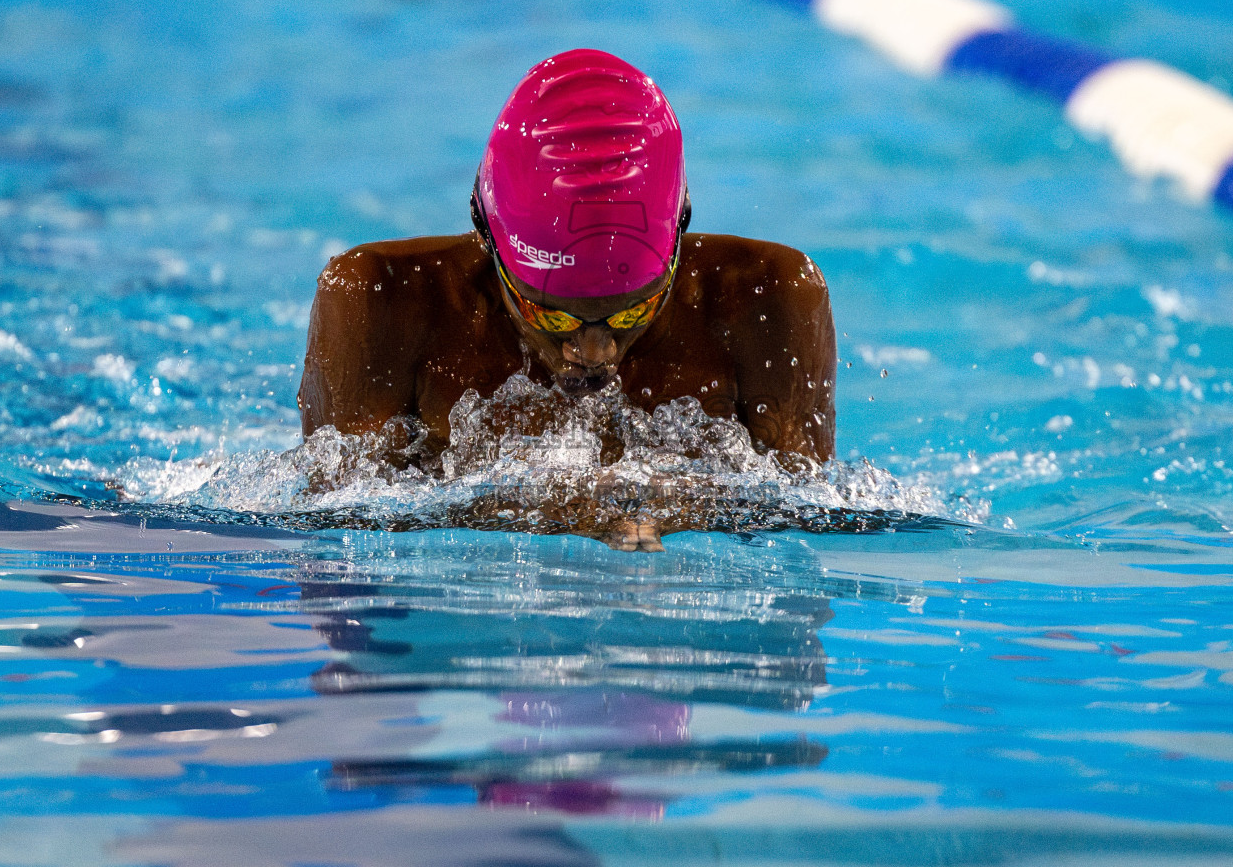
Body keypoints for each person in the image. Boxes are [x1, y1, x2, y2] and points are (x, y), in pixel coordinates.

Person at [298, 49, 836, 548]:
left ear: (680, 240)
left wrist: (686, 506)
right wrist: (555, 509)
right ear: (487, 237)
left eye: (634, 311)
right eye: (549, 314)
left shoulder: (768, 300)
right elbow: (339, 524)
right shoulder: (382, 301)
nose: (596, 352)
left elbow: (807, 514)